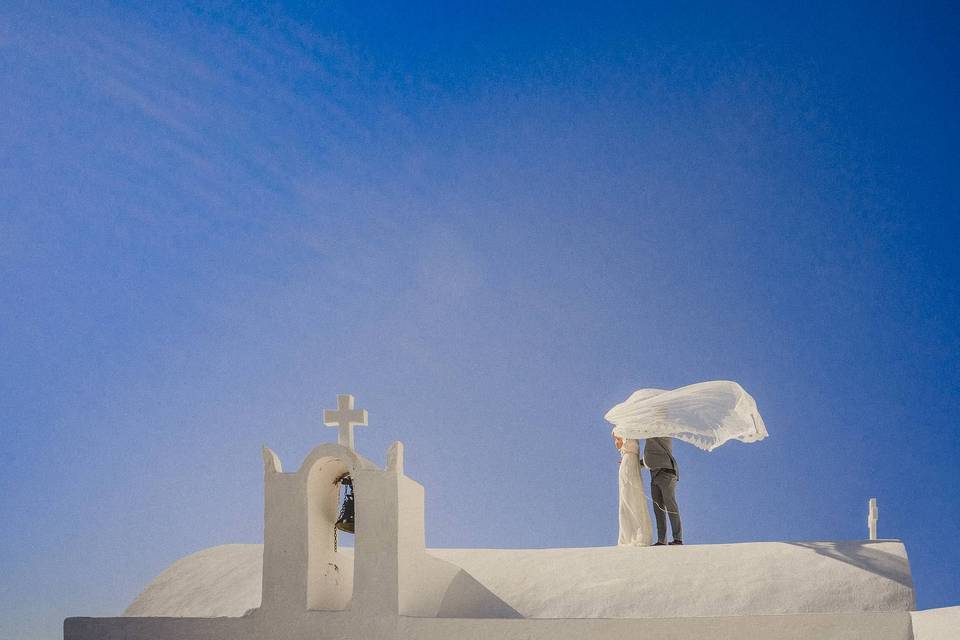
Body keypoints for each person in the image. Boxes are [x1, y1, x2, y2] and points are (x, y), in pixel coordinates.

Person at [640, 437, 683, 545]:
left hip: (666, 472)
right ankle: (661, 540)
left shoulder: (662, 432)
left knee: (670, 505)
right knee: (658, 509)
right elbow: (651, 456)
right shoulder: (650, 438)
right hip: (654, 475)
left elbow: (656, 454)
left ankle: (678, 539)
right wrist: (631, 462)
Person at [613, 433, 653, 546]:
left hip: (634, 464)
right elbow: (618, 445)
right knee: (627, 497)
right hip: (627, 462)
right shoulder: (618, 430)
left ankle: (638, 533)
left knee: (636, 498)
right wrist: (618, 437)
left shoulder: (633, 431)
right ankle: (628, 536)